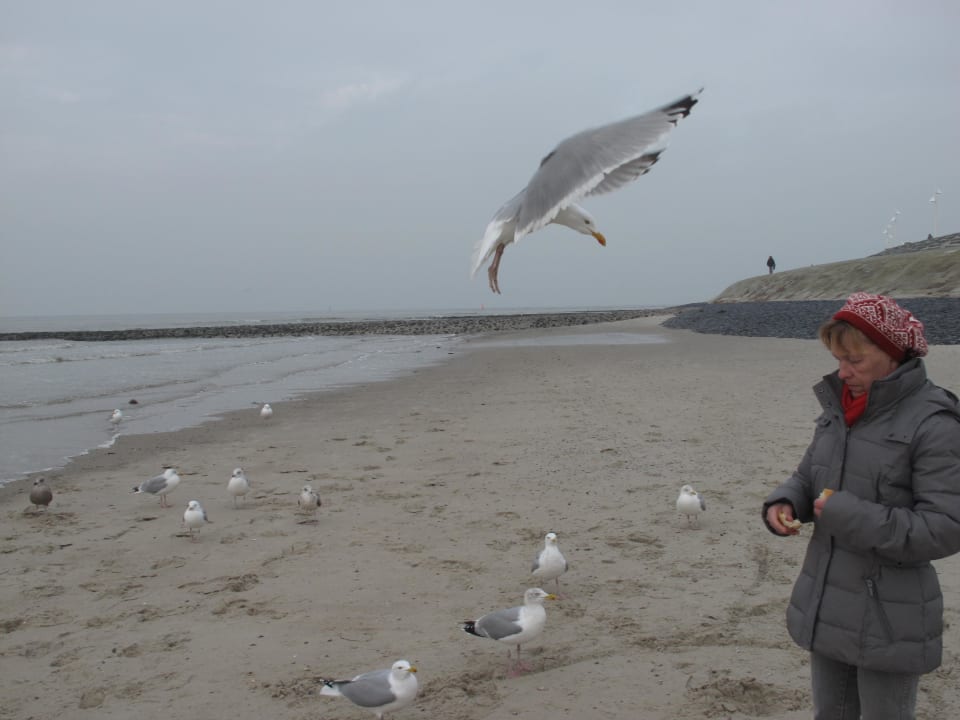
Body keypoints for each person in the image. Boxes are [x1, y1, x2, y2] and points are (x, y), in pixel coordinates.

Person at [762, 292, 960, 720]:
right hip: (828, 600)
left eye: (854, 360)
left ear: (892, 354)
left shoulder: (934, 423)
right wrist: (785, 502)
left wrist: (843, 514)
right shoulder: (839, 409)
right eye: (838, 359)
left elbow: (944, 527)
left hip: (891, 615)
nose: (843, 371)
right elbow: (808, 476)